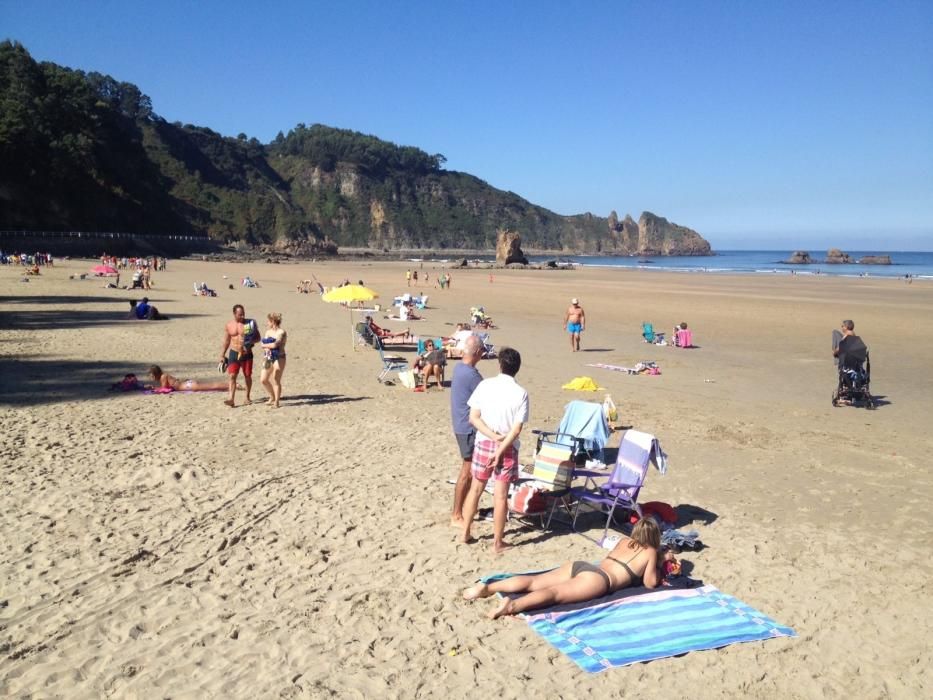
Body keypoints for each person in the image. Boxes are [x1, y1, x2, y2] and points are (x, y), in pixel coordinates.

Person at [462, 517, 662, 619]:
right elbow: (650, 583)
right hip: (599, 580)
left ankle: (487, 587)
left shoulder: (623, 540)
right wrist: (660, 561)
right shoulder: (651, 551)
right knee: (553, 594)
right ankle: (512, 606)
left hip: (581, 566)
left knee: (534, 581)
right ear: (655, 538)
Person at [460, 347, 529, 553]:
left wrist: (491, 436)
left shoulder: (485, 385)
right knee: (500, 496)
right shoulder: (521, 393)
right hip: (506, 446)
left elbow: (474, 417)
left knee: (476, 489)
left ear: (500, 364)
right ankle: (497, 542)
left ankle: (465, 532)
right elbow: (516, 429)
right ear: (517, 368)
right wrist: (499, 444)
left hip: (485, 442)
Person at [450, 334, 484, 526]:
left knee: (470, 469)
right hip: (467, 427)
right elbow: (485, 395)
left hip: (462, 425)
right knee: (467, 471)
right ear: (477, 352)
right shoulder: (471, 375)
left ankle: (465, 508)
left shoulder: (460, 367)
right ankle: (456, 514)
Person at [220, 304, 260, 407]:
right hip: (234, 352)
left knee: (247, 375)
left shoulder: (249, 324)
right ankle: (231, 399)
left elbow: (258, 338)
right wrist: (222, 354)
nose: (242, 316)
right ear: (234, 314)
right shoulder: (229, 325)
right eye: (240, 315)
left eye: (243, 314)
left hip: (246, 353)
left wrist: (250, 343)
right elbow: (226, 340)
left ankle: (247, 397)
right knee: (232, 376)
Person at [259, 312, 287, 408]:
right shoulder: (268, 332)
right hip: (268, 357)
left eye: (268, 321)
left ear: (273, 321)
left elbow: (275, 344)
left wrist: (265, 345)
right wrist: (267, 347)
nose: (267, 323)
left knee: (276, 380)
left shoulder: (281, 332)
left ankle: (277, 402)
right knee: (263, 379)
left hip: (279, 358)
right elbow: (263, 345)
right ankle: (272, 396)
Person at [148, 365, 230, 392]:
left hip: (187, 386)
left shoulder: (163, 377)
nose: (151, 377)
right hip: (187, 384)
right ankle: (230, 385)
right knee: (211, 385)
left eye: (152, 375)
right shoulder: (164, 375)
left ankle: (231, 385)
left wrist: (154, 389)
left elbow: (164, 389)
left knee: (212, 386)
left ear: (155, 374)